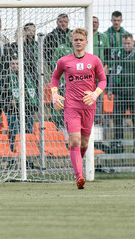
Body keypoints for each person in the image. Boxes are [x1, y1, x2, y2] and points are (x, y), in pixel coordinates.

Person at [51, 28, 106, 189]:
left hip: (89, 106)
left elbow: (103, 80)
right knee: (74, 140)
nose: (78, 42)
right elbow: (55, 78)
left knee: (83, 144)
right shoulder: (64, 61)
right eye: (75, 39)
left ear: (86, 42)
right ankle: (79, 177)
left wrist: (95, 93)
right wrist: (55, 94)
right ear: (72, 41)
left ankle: (77, 164)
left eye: (81, 39)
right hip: (71, 106)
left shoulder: (94, 60)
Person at [108, 33, 135, 153]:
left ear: (133, 43)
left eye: (128, 43)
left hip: (134, 94)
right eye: (124, 43)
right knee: (117, 118)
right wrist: (110, 89)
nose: (126, 45)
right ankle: (118, 143)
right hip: (120, 92)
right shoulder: (118, 55)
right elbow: (113, 72)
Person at [1, 54, 38, 151]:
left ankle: (29, 161)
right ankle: (12, 160)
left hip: (27, 110)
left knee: (28, 134)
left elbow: (33, 91)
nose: (15, 66)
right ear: (9, 65)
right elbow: (1, 93)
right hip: (12, 111)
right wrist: (9, 101)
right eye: (13, 64)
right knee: (14, 134)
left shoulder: (28, 76)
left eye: (17, 63)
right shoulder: (5, 77)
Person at [92, 16, 110, 126]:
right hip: (87, 73)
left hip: (99, 72)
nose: (94, 24)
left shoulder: (103, 37)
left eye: (96, 22)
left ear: (98, 24)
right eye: (92, 22)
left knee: (98, 98)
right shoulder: (85, 36)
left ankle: (97, 121)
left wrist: (106, 66)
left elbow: (107, 52)